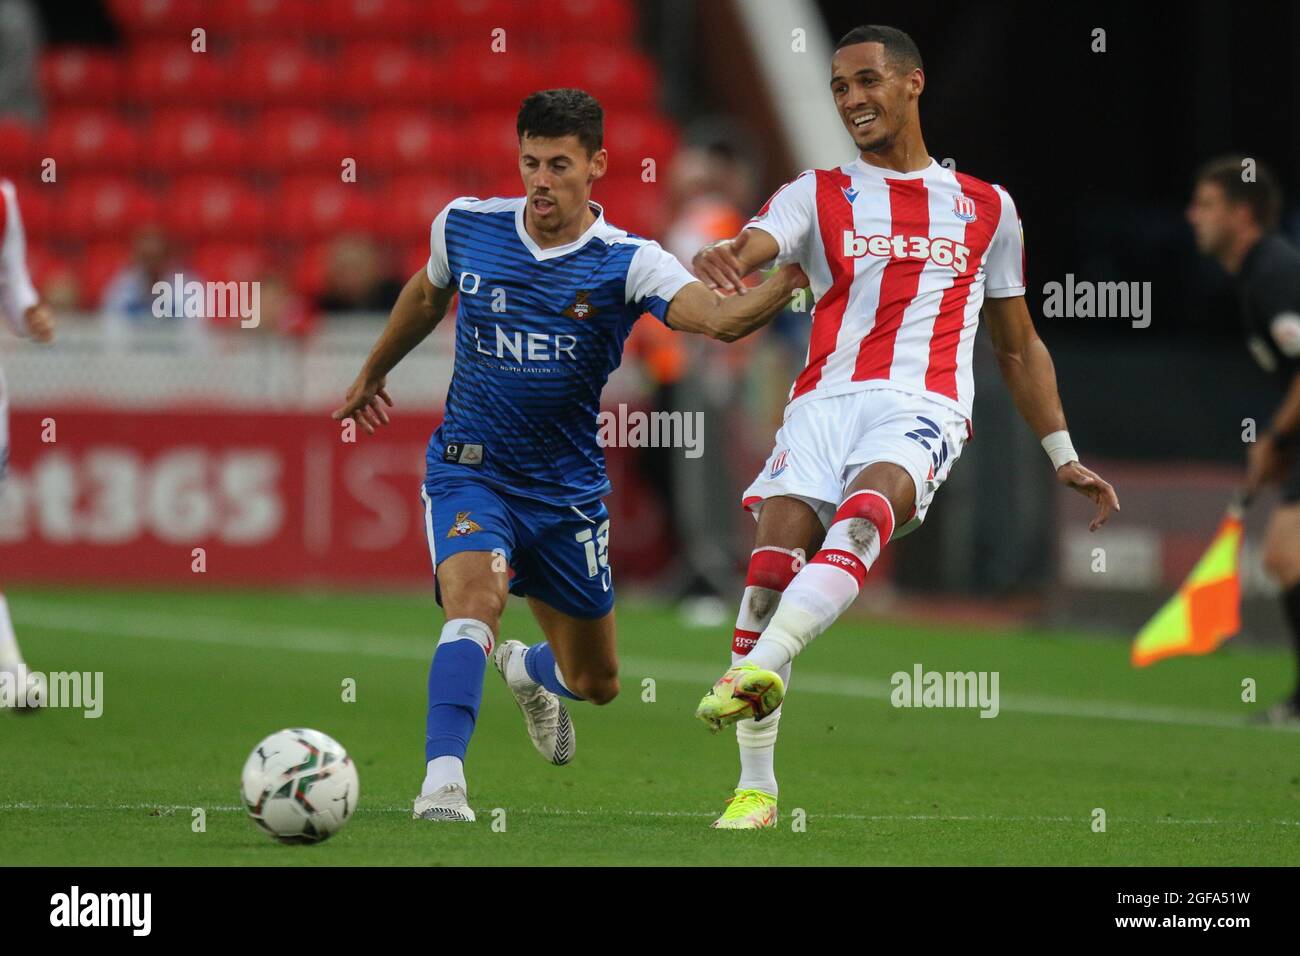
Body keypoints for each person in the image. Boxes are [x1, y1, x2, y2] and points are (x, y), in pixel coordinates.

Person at [333, 88, 808, 822]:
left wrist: (790, 281)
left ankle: (527, 669)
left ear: (597, 166)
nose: (541, 180)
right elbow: (428, 297)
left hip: (565, 492)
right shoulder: (465, 226)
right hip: (471, 466)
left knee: (597, 680)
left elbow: (716, 319)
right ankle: (443, 784)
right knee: (473, 604)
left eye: (559, 164)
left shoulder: (628, 263)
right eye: (530, 163)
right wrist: (373, 370)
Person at [690, 25, 1120, 829]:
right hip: (820, 406)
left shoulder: (987, 208)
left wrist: (1061, 451)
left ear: (913, 83)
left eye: (867, 81)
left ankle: (765, 666)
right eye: (840, 89)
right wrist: (730, 258)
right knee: (763, 589)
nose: (853, 99)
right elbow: (754, 248)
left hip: (922, 405)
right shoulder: (816, 192)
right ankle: (757, 790)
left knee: (864, 517)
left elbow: (1018, 343)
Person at [1187, 156, 1300, 725]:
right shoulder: (1254, 277)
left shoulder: (1273, 270)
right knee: (1287, 557)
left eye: (1206, 205)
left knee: (1285, 553)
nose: (1192, 217)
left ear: (1244, 213)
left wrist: (1276, 438)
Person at [0, 177, 54, 710]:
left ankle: (12, 671)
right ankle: (13, 672)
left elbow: (13, 288)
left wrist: (29, 314)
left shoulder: (3, 200)